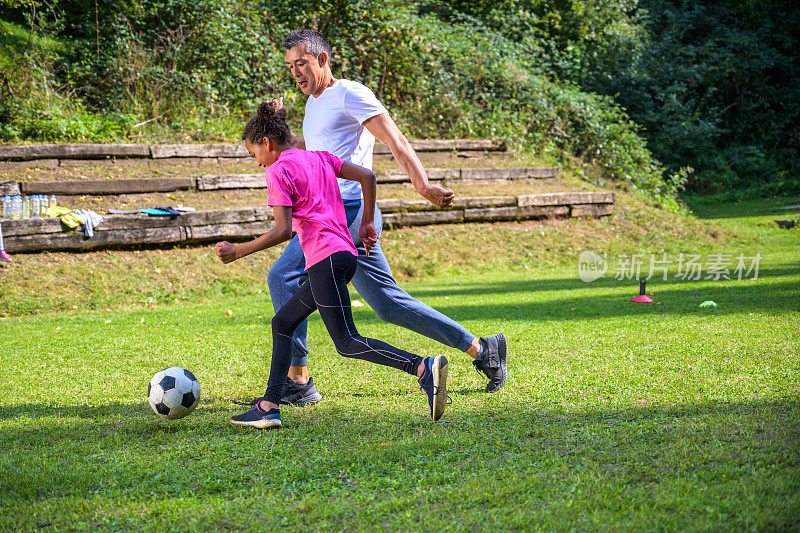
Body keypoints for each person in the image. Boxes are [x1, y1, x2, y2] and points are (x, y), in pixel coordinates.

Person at [266, 29, 507, 407]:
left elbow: (396, 140)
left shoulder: (351, 93)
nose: (296, 73)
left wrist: (424, 187)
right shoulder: (314, 103)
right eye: (290, 67)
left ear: (323, 60)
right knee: (387, 304)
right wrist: (279, 126)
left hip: (349, 212)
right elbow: (314, 152)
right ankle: (483, 349)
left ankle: (297, 378)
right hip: (332, 215)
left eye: (302, 64)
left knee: (283, 276)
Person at [215, 102, 449, 428]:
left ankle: (422, 368)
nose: (256, 161)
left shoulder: (277, 170)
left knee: (347, 342)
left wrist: (238, 250)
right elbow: (367, 176)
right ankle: (269, 405)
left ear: (266, 143)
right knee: (283, 323)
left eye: (253, 153)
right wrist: (367, 223)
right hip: (344, 256)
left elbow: (283, 230)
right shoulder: (318, 157)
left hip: (325, 260)